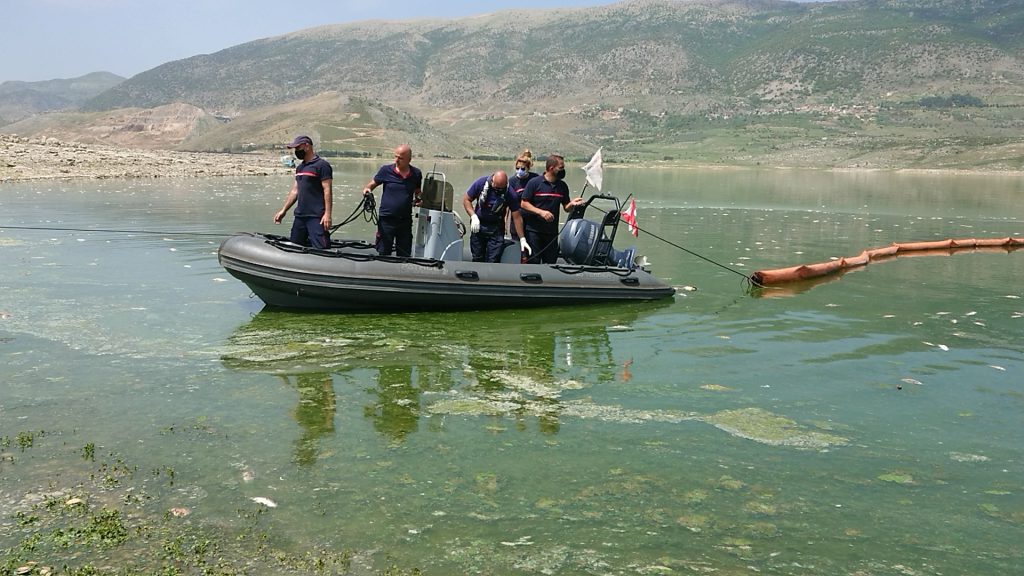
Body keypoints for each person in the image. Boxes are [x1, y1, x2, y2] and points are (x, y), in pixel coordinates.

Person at [519, 154, 584, 264]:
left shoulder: (562, 186)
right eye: (561, 167)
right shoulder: (534, 183)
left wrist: (572, 204)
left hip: (552, 233)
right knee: (533, 261)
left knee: (550, 263)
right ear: (551, 168)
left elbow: (566, 208)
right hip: (534, 232)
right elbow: (524, 204)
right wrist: (541, 212)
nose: (563, 170)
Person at [273, 135, 333, 248]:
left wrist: (327, 215)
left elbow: (327, 190)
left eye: (298, 148)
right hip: (300, 216)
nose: (296, 151)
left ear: (307, 146)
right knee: (295, 247)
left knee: (322, 249)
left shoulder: (322, 166)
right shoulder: (300, 168)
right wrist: (284, 210)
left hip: (316, 217)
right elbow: (295, 191)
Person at [362, 144, 422, 257]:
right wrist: (367, 191)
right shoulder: (385, 170)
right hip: (386, 220)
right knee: (384, 253)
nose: (397, 160)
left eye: (400, 158)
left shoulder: (416, 174)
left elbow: (418, 191)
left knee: (404, 254)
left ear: (409, 159)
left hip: (405, 220)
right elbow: (370, 186)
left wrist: (419, 199)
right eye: (395, 157)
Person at [462, 170, 531, 263]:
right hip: (479, 224)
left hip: (496, 228)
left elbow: (516, 217)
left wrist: (522, 239)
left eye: (499, 188)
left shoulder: (510, 193)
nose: (496, 190)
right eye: (495, 187)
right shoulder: (481, 183)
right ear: (492, 179)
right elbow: (466, 199)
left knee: (493, 259)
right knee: (477, 256)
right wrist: (473, 216)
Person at [506, 149, 539, 240]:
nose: (520, 171)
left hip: (533, 220)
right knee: (517, 244)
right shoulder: (511, 181)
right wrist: (505, 221)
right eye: (517, 168)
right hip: (516, 218)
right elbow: (507, 203)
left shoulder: (536, 179)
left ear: (528, 168)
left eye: (523, 169)